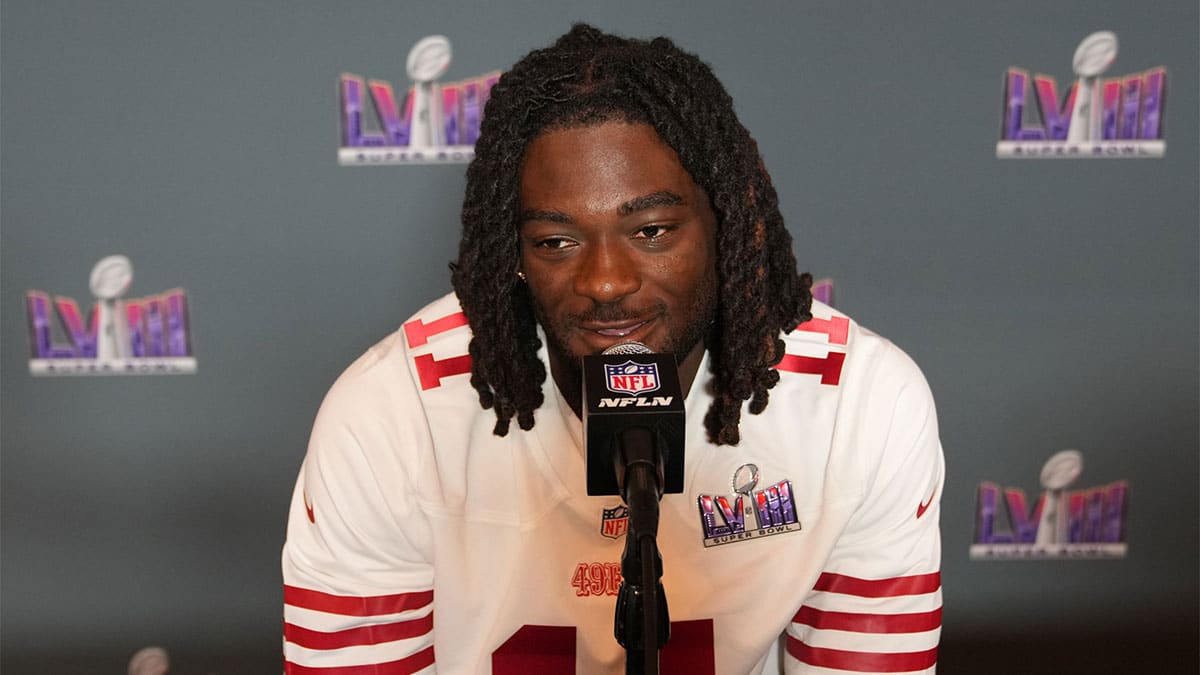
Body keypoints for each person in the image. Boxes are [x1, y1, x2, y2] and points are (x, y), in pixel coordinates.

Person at [282, 23, 943, 675]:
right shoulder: (389, 416)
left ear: (734, 218)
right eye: (555, 241)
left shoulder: (862, 404)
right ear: (513, 250)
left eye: (651, 229)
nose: (605, 282)